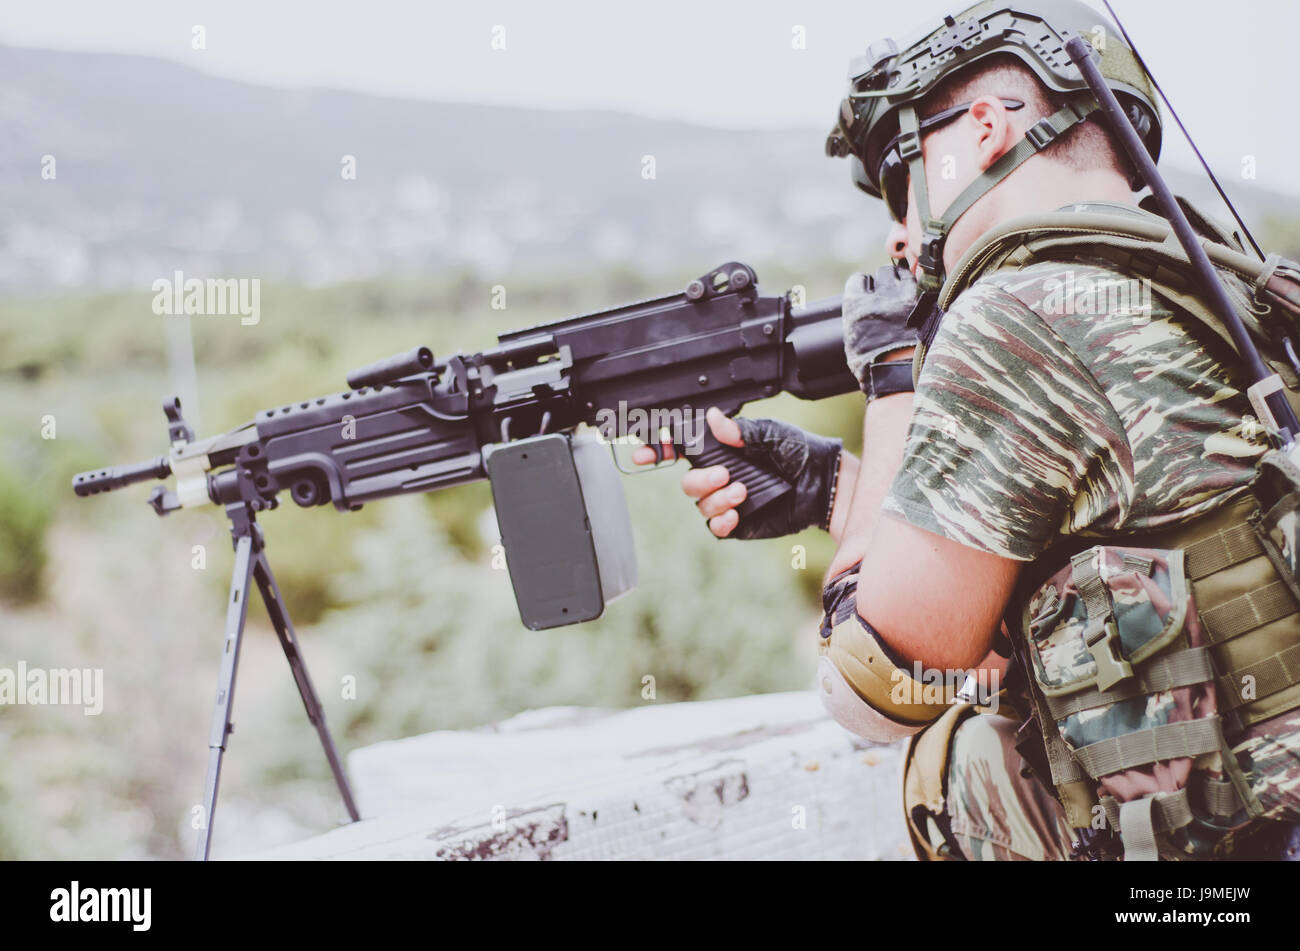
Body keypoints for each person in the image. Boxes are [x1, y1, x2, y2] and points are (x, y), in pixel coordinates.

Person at [639, 0, 1300, 860]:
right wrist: (834, 490)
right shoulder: (1217, 290)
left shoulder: (1016, 310)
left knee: (958, 761)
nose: (897, 233)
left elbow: (877, 685)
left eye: (900, 183)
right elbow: (1132, 536)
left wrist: (892, 381)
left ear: (984, 128)